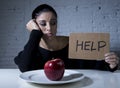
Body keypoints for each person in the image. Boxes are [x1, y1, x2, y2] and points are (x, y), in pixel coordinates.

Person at [14, 4, 119, 72]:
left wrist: (110, 64)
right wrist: (35, 33)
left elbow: (93, 64)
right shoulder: (32, 49)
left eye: (53, 23)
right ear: (35, 25)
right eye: (43, 24)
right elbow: (24, 67)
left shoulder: (73, 43)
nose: (49, 28)